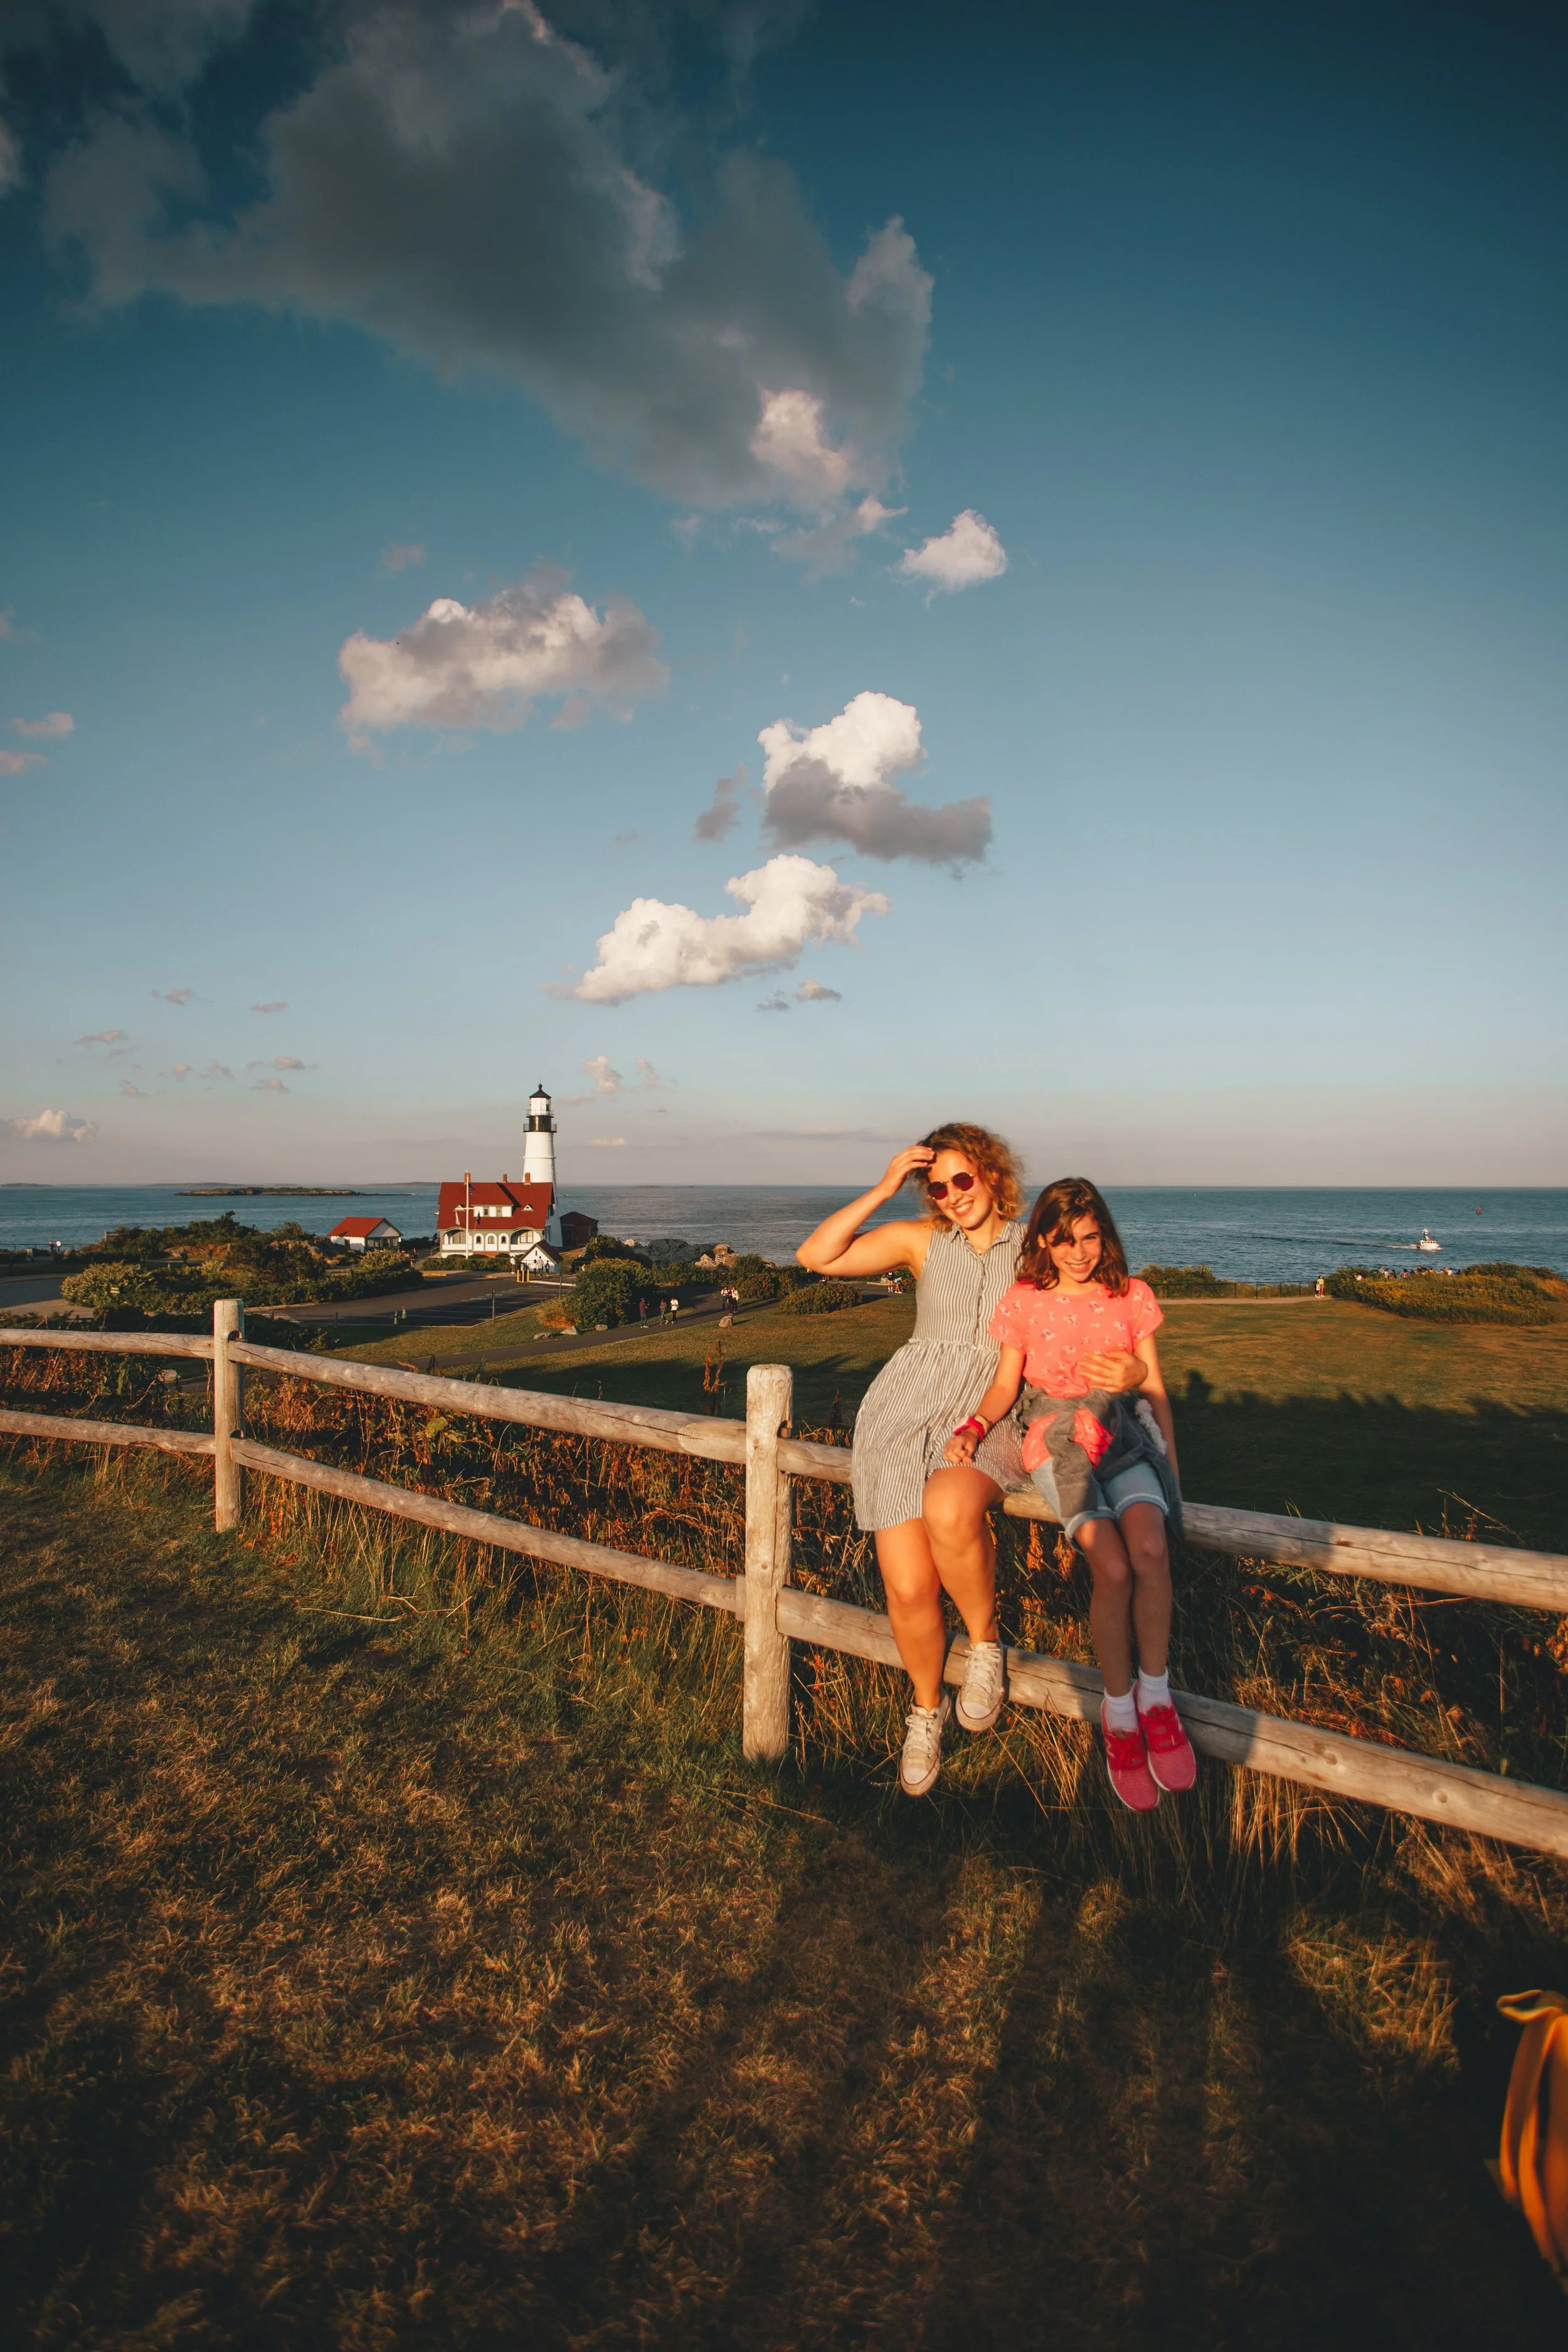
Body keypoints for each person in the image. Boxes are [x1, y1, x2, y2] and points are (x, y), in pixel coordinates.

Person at [798, 1129, 1147, 1798]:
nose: (951, 1196)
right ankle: (924, 1713)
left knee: (950, 1512)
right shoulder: (919, 1241)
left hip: (993, 1411)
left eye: (963, 1180)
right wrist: (882, 1186)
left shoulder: (1033, 1242)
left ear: (990, 1175)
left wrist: (1130, 1368)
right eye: (936, 1185)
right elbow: (815, 1255)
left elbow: (1100, 1306)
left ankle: (985, 1646)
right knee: (905, 1588)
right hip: (903, 1411)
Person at [946, 1176, 1194, 1813]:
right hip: (1056, 1436)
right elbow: (1006, 1383)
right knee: (1110, 1565)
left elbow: (1155, 1388)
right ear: (1043, 1243)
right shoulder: (1024, 1299)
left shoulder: (1130, 1295)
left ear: (1104, 1236)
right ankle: (1118, 1717)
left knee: (1150, 1550)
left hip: (1123, 1438)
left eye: (1090, 1238)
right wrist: (975, 1426)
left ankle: (1156, 1699)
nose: (1080, 1253)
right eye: (1064, 1241)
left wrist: (1171, 1466)